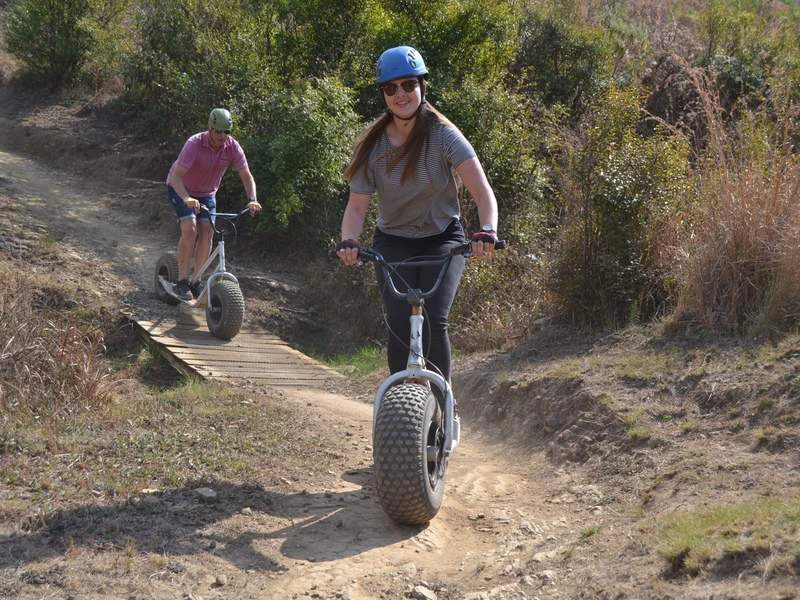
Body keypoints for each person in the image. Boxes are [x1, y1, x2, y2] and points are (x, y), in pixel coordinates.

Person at [336, 45, 499, 382]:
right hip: (393, 242)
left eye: (408, 84)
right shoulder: (373, 145)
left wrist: (487, 230)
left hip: (443, 240)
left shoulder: (444, 136)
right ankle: (401, 397)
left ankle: (441, 401)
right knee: (398, 321)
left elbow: (483, 193)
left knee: (434, 318)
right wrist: (349, 240)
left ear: (423, 86)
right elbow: (356, 206)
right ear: (383, 94)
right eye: (390, 88)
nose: (401, 94)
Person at [165, 108, 262, 301]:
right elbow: (176, 177)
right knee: (190, 229)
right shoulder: (194, 144)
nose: (222, 136)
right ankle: (182, 281)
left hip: (207, 193)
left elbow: (246, 176)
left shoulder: (232, 147)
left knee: (207, 230)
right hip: (181, 188)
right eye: (218, 131)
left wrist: (253, 199)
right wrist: (186, 198)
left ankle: (196, 280)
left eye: (226, 132)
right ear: (210, 129)